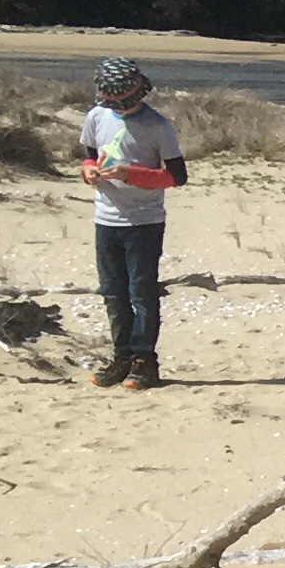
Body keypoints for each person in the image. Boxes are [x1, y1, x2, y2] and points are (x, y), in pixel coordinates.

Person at [80, 56, 187, 388]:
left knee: (141, 293)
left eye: (119, 101)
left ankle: (144, 362)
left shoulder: (157, 126)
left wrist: (131, 175)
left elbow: (177, 176)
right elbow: (88, 155)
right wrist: (89, 171)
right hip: (106, 219)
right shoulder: (96, 116)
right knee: (113, 293)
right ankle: (121, 358)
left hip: (144, 222)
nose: (114, 107)